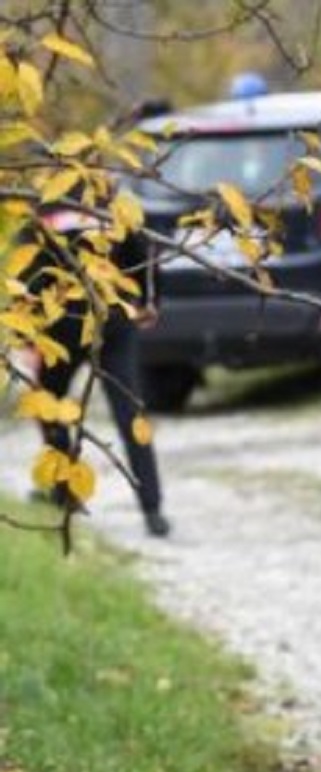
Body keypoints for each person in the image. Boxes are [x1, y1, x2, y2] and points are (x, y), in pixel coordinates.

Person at [26, 196, 171, 538]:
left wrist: (30, 333)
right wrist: (152, 302)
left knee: (50, 405)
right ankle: (152, 509)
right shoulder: (115, 213)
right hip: (113, 326)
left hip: (65, 328)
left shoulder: (49, 217)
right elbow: (146, 261)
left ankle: (64, 493)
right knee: (130, 413)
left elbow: (34, 278)